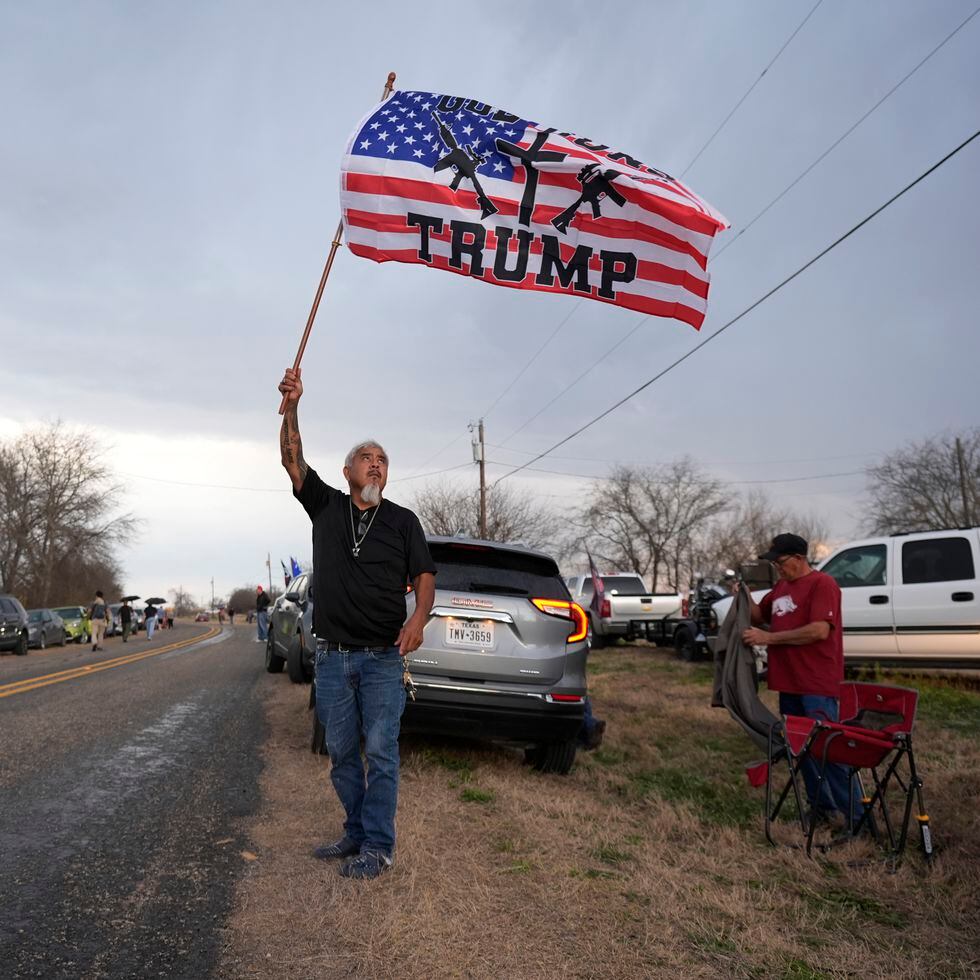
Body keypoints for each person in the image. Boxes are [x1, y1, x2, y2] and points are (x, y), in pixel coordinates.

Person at [278, 365, 436, 881]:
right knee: (342, 752)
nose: (375, 466)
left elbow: (425, 575)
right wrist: (294, 404)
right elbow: (292, 459)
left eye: (383, 460)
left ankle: (379, 847)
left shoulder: (403, 521)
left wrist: (420, 617)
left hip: (382, 660)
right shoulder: (324, 505)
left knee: (380, 753)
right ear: (348, 472)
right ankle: (355, 831)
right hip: (332, 657)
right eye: (366, 459)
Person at [741, 533, 861, 830]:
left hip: (816, 684)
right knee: (801, 751)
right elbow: (759, 615)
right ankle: (822, 808)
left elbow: (819, 630)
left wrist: (769, 638)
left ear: (798, 558)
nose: (778, 569)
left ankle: (858, 819)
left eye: (781, 562)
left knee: (828, 751)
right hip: (789, 683)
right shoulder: (781, 587)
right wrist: (741, 596)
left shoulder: (823, 585)